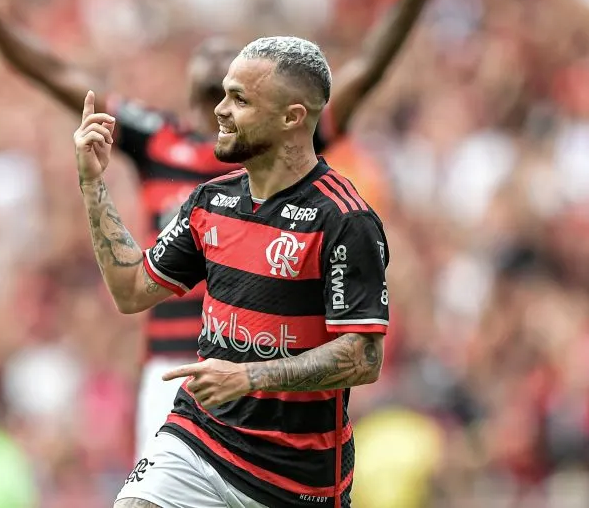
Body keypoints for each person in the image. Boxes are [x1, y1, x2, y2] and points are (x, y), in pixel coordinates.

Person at [0, 0, 447, 458]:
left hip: (261, 363)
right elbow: (51, 71)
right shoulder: (155, 139)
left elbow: (366, 72)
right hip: (174, 367)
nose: (220, 56)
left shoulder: (284, 148)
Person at [75, 35, 393, 508]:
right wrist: (92, 183)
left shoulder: (344, 219)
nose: (219, 111)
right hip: (198, 437)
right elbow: (131, 289)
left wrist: (250, 377)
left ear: (292, 118)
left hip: (291, 478)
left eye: (239, 99)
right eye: (224, 94)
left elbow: (364, 357)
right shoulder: (212, 201)